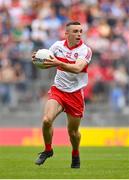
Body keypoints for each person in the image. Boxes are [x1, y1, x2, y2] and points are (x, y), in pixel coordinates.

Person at [32, 21, 92, 168]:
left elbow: (78, 68)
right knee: (46, 120)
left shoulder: (85, 50)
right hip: (58, 90)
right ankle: (48, 150)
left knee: (73, 132)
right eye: (75, 31)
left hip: (75, 94)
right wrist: (37, 58)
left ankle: (75, 153)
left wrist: (57, 62)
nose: (78, 34)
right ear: (67, 33)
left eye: (80, 31)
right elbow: (46, 60)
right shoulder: (57, 46)